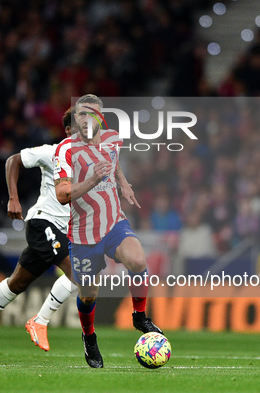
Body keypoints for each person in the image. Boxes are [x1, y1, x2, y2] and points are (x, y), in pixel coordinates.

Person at [54, 94, 163, 368]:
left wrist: (123, 183)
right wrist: (92, 179)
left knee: (138, 260)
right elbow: (62, 194)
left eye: (92, 113)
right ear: (76, 118)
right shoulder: (65, 149)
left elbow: (113, 165)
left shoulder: (113, 138)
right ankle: (89, 336)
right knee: (88, 293)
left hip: (114, 222)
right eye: (81, 113)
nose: (86, 118)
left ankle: (139, 316)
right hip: (83, 233)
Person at [0, 108, 76, 352]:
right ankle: (40, 321)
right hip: (43, 222)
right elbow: (13, 160)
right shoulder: (53, 151)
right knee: (80, 272)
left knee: (17, 283)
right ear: (68, 130)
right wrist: (13, 198)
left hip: (59, 230)